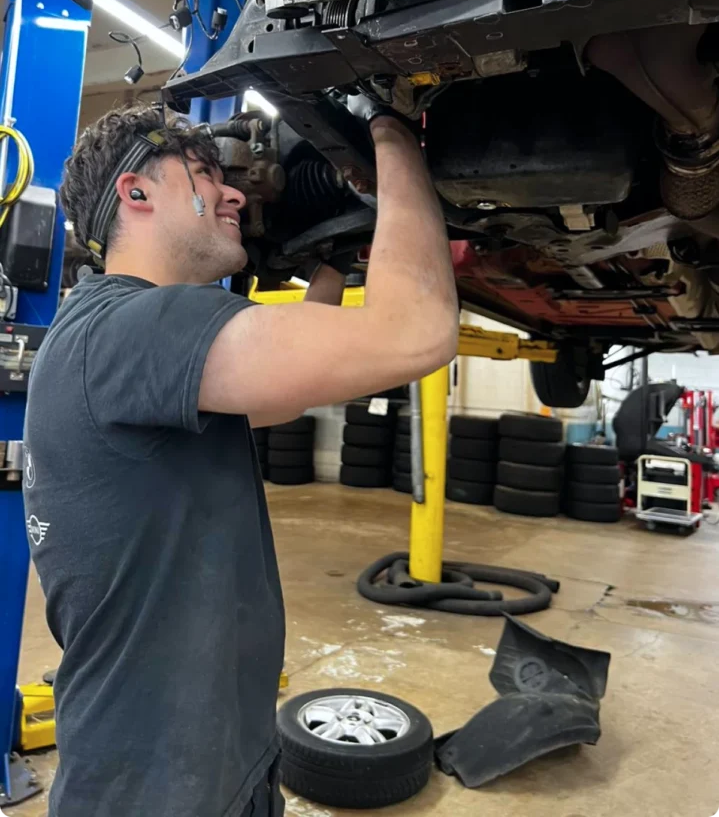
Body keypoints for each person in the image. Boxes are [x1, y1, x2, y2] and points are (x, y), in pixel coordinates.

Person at [23, 102, 458, 817]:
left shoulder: (103, 335)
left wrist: (328, 268)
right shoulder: (134, 328)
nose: (233, 193)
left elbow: (273, 402)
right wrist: (391, 132)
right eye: (204, 175)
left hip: (198, 764)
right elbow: (415, 334)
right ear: (135, 193)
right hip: (158, 793)